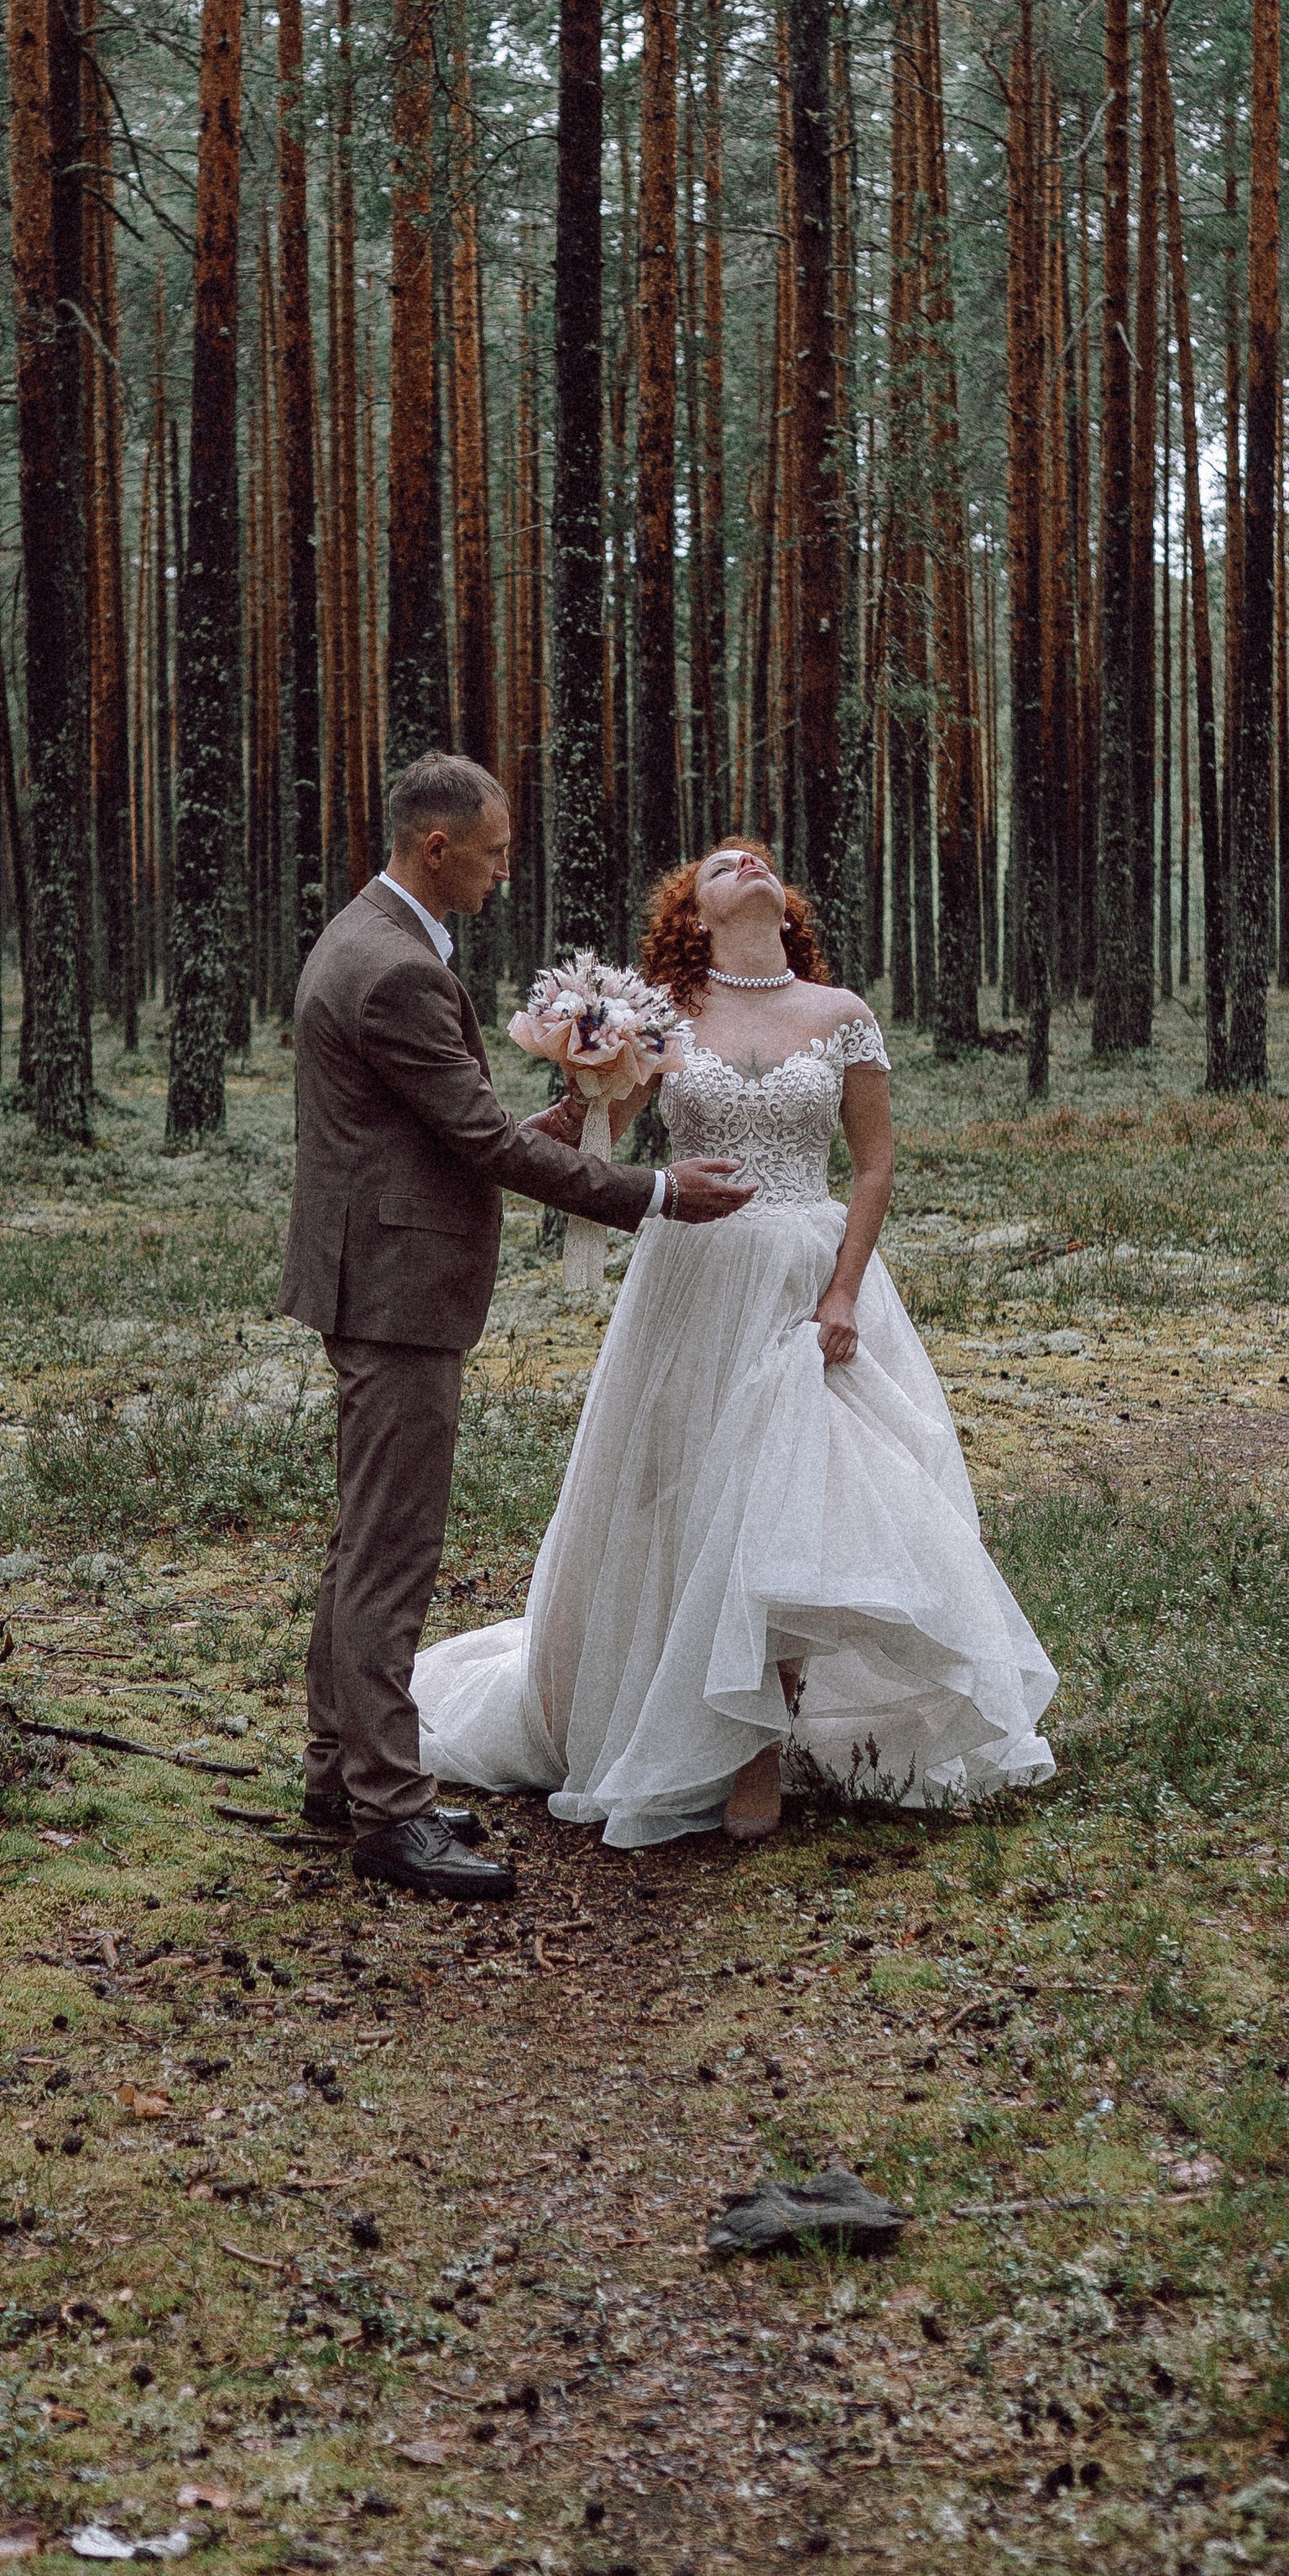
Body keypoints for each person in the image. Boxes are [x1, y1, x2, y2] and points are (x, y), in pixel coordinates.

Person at [411, 838, 1057, 1849]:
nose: (746, 861)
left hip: (809, 1273)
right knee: (690, 1486)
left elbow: (876, 1165)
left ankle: (764, 1739)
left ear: (785, 903)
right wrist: (585, 1071)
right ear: (696, 913)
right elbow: (604, 1134)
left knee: (802, 1497)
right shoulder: (663, 1015)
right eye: (722, 863)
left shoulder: (842, 1018)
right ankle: (694, 1721)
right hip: (694, 1272)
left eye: (760, 858)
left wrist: (843, 1291)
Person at [279, 754, 754, 1901]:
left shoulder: (371, 940)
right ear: (435, 845)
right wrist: (651, 1194)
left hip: (377, 1277)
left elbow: (453, 1125)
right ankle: (390, 1815)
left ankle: (341, 1773)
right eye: (491, 852)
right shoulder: (392, 968)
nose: (502, 872)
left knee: (365, 1540)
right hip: (394, 1293)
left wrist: (562, 1117)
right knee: (389, 1552)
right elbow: (480, 1148)